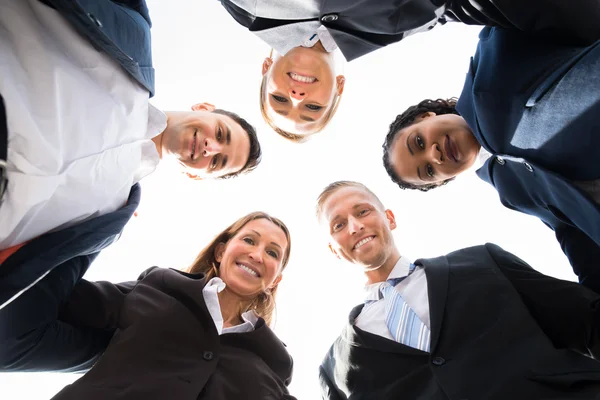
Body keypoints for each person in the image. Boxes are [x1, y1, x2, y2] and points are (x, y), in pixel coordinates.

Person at [0, 0, 261, 254]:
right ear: (203, 107)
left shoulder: (111, 217)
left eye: (217, 162)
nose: (210, 147)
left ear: (195, 176)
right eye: (220, 133)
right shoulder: (132, 44)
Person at [316, 180, 600, 399]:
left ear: (389, 218)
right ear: (334, 250)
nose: (355, 226)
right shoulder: (333, 370)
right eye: (339, 225)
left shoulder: (484, 260)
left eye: (363, 211)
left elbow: (586, 319)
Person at [382, 26, 600, 293]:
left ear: (426, 117)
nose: (434, 154)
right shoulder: (512, 192)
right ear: (442, 181)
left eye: (419, 142)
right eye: (428, 170)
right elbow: (575, 237)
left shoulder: (491, 59)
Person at [0, 211, 296, 400]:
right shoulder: (159, 286)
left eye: (272, 252)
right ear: (221, 252)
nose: (258, 255)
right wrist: (101, 223)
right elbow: (51, 300)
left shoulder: (277, 360)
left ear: (275, 280)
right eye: (249, 240)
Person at [218, 0, 600, 142]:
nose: (297, 98)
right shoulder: (394, 29)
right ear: (338, 87)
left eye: (280, 100)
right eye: (312, 109)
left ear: (266, 69)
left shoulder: (246, 7)